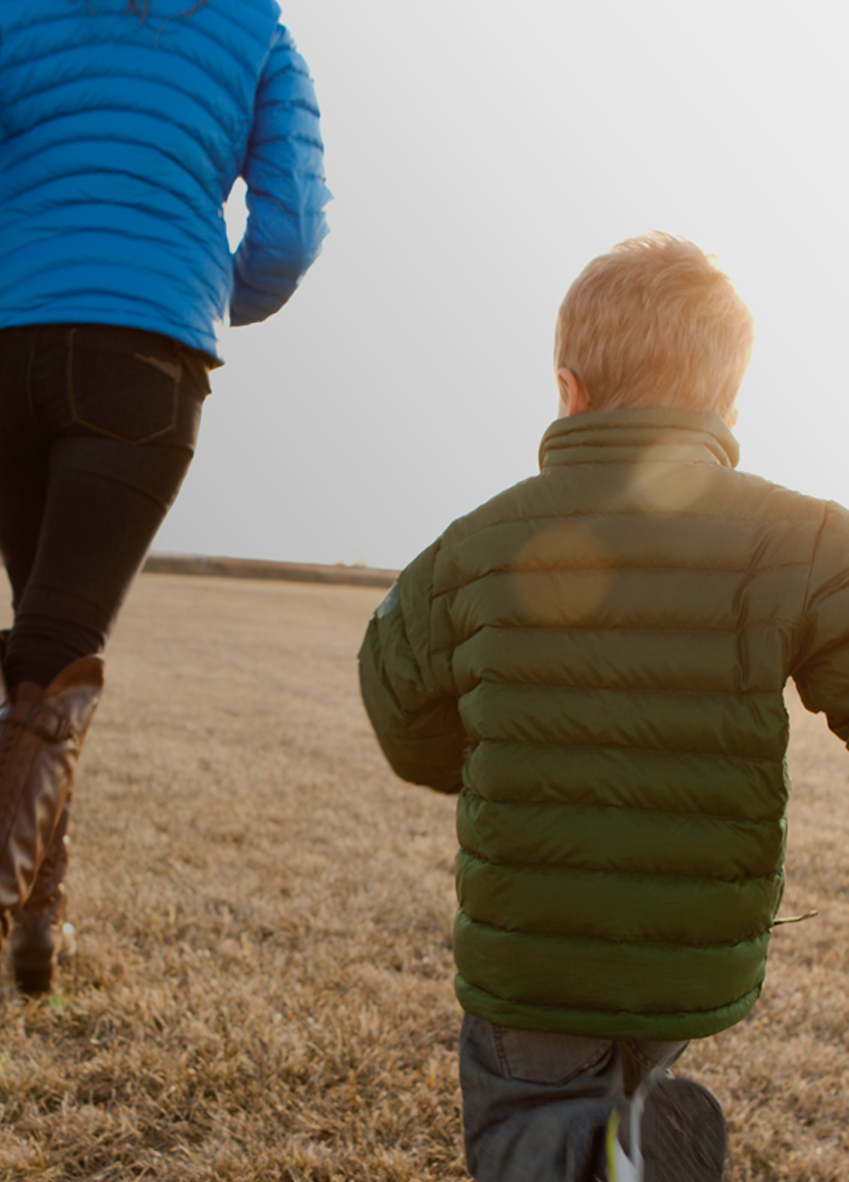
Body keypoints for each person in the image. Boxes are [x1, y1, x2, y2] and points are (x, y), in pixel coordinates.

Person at [0, 0, 329, 1111]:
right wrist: (200, 281)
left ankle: (34, 939)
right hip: (144, 360)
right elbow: (292, 230)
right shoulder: (257, 25)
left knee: (46, 643)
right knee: (58, 649)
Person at [358, 233, 849, 1181]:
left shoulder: (473, 544)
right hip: (690, 958)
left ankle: (601, 1156)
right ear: (728, 402)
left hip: (535, 954)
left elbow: (397, 703)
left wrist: (478, 755)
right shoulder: (803, 538)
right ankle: (624, 1150)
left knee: (525, 1129)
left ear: (568, 389)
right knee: (632, 1093)